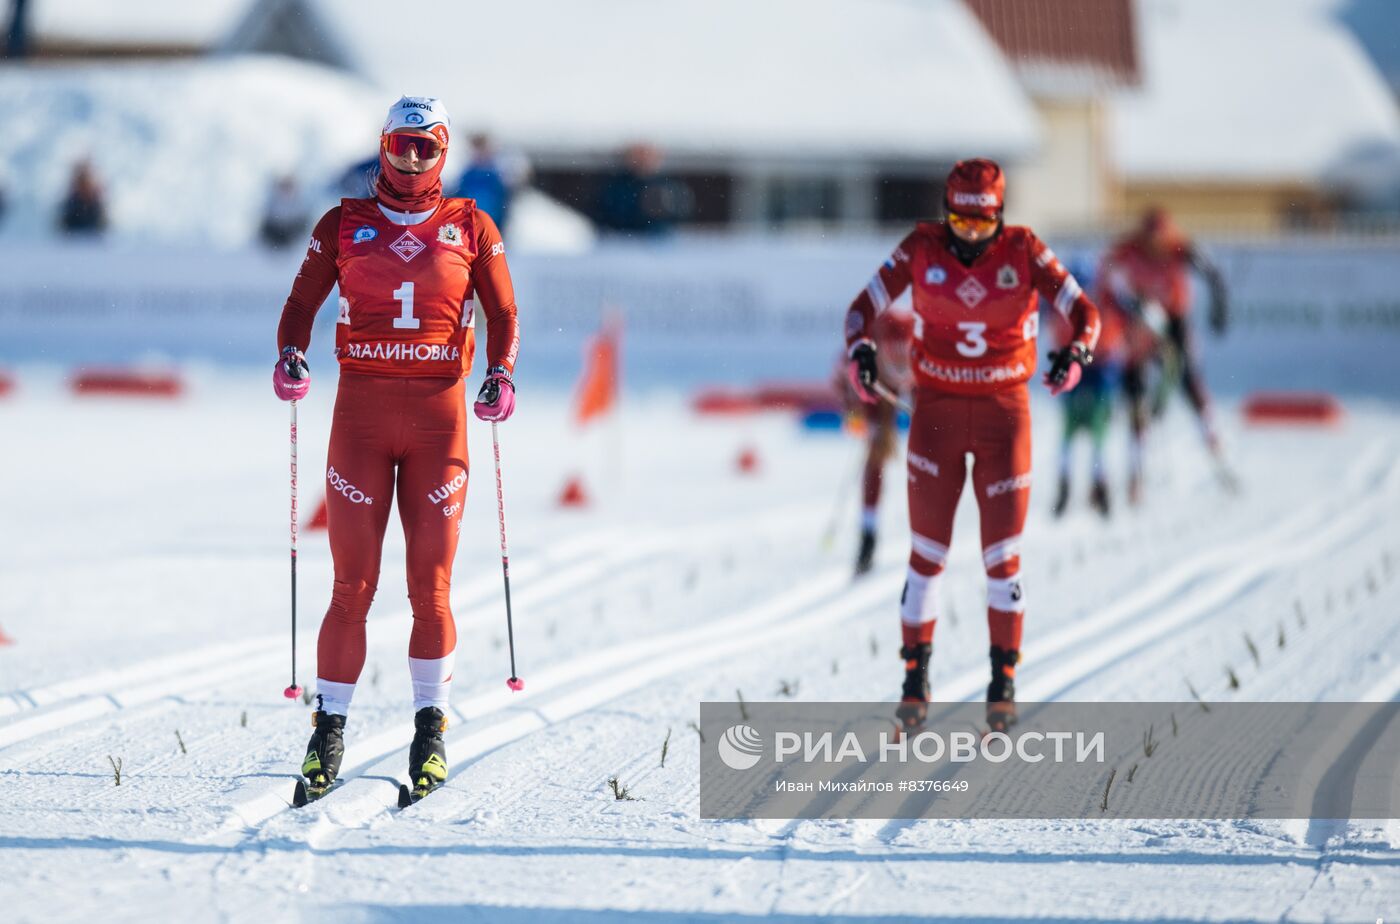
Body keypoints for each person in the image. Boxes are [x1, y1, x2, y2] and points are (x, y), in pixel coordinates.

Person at [273, 96, 520, 803]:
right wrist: (290, 355)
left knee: (430, 586)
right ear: (381, 145)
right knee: (352, 585)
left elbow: (503, 313)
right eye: (401, 145)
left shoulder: (471, 224)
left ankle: (430, 731)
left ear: (445, 151)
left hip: (440, 418)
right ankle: (328, 731)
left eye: (426, 146)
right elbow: (299, 305)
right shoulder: (343, 223)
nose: (412, 159)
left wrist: (501, 374)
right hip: (361, 415)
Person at [843, 159, 1100, 732]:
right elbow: (860, 309)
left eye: (983, 225)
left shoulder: (1025, 250)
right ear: (946, 211)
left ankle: (1002, 682)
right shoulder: (921, 247)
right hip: (934, 412)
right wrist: (861, 350)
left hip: (1002, 415)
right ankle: (915, 680)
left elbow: (1085, 312)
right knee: (926, 556)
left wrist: (1077, 354)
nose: (970, 235)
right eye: (960, 220)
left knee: (1002, 560)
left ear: (1000, 217)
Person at [1096, 207, 1231, 501]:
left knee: (1191, 382)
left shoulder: (1181, 247)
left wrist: (1219, 309)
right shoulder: (1128, 248)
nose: (1155, 250)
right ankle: (1136, 470)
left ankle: (1215, 450)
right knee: (1134, 388)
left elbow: (1213, 274)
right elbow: (1105, 274)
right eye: (1150, 244)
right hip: (1142, 319)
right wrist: (1121, 305)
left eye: (1160, 243)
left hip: (1174, 321)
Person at [833, 307, 913, 576]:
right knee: (876, 453)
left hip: (909, 381)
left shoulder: (917, 342)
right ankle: (868, 533)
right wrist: (853, 411)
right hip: (872, 388)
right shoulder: (860, 353)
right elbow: (842, 380)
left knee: (929, 450)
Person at [1049, 255, 1127, 519]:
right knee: (1089, 433)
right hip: (1092, 369)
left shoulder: (1072, 305)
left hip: (1091, 369)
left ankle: (1084, 483)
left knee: (1084, 433)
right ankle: (1084, 484)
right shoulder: (1100, 302)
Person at [452, 134, 511, 230]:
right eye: (477, 150)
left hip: (491, 222)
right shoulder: (468, 174)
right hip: (471, 223)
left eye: (483, 150)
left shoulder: (495, 175)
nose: (480, 154)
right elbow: (459, 197)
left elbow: (502, 201)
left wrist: (500, 222)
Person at [259, 175, 309, 249]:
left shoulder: (300, 203)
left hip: (292, 235)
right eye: (284, 187)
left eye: (288, 187)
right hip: (275, 234)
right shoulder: (272, 202)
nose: (286, 191)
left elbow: (303, 224)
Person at [58, 160, 107, 235]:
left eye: (86, 182)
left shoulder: (98, 207)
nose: (84, 187)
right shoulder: (70, 207)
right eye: (81, 183)